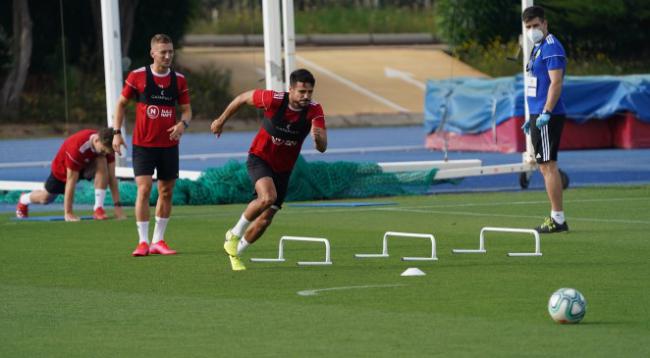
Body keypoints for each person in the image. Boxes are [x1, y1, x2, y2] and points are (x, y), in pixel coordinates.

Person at [211, 69, 327, 271]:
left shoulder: (315, 110)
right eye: (302, 91)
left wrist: (318, 139)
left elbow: (323, 147)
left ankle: (236, 252)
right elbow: (241, 98)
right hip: (260, 158)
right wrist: (221, 120)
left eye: (310, 92)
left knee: (265, 220)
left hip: (284, 170)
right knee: (267, 197)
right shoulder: (273, 99)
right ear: (290, 89)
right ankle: (234, 233)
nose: (306, 96)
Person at [112, 33, 192, 256]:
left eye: (171, 52)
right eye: (163, 52)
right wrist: (117, 133)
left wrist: (182, 125)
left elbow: (186, 110)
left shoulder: (179, 80)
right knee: (144, 189)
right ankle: (142, 241)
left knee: (166, 191)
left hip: (168, 145)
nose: (168, 56)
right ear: (153, 53)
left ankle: (159, 240)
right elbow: (121, 105)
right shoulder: (137, 76)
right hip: (143, 145)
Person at [521, 6, 568, 233]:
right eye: (528, 27)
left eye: (535, 25)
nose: (532, 30)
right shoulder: (538, 48)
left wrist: (546, 112)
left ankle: (557, 218)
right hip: (538, 115)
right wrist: (531, 116)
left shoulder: (551, 48)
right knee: (544, 167)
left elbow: (555, 83)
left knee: (548, 166)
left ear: (545, 24)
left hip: (547, 116)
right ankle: (556, 217)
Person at [15, 128, 125, 222]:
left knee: (101, 160)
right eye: (102, 150)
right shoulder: (77, 147)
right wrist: (68, 212)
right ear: (96, 140)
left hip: (86, 165)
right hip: (63, 171)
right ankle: (24, 199)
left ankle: (98, 208)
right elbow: (71, 181)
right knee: (46, 198)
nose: (104, 153)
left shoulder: (105, 148)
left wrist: (118, 206)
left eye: (106, 152)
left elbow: (112, 177)